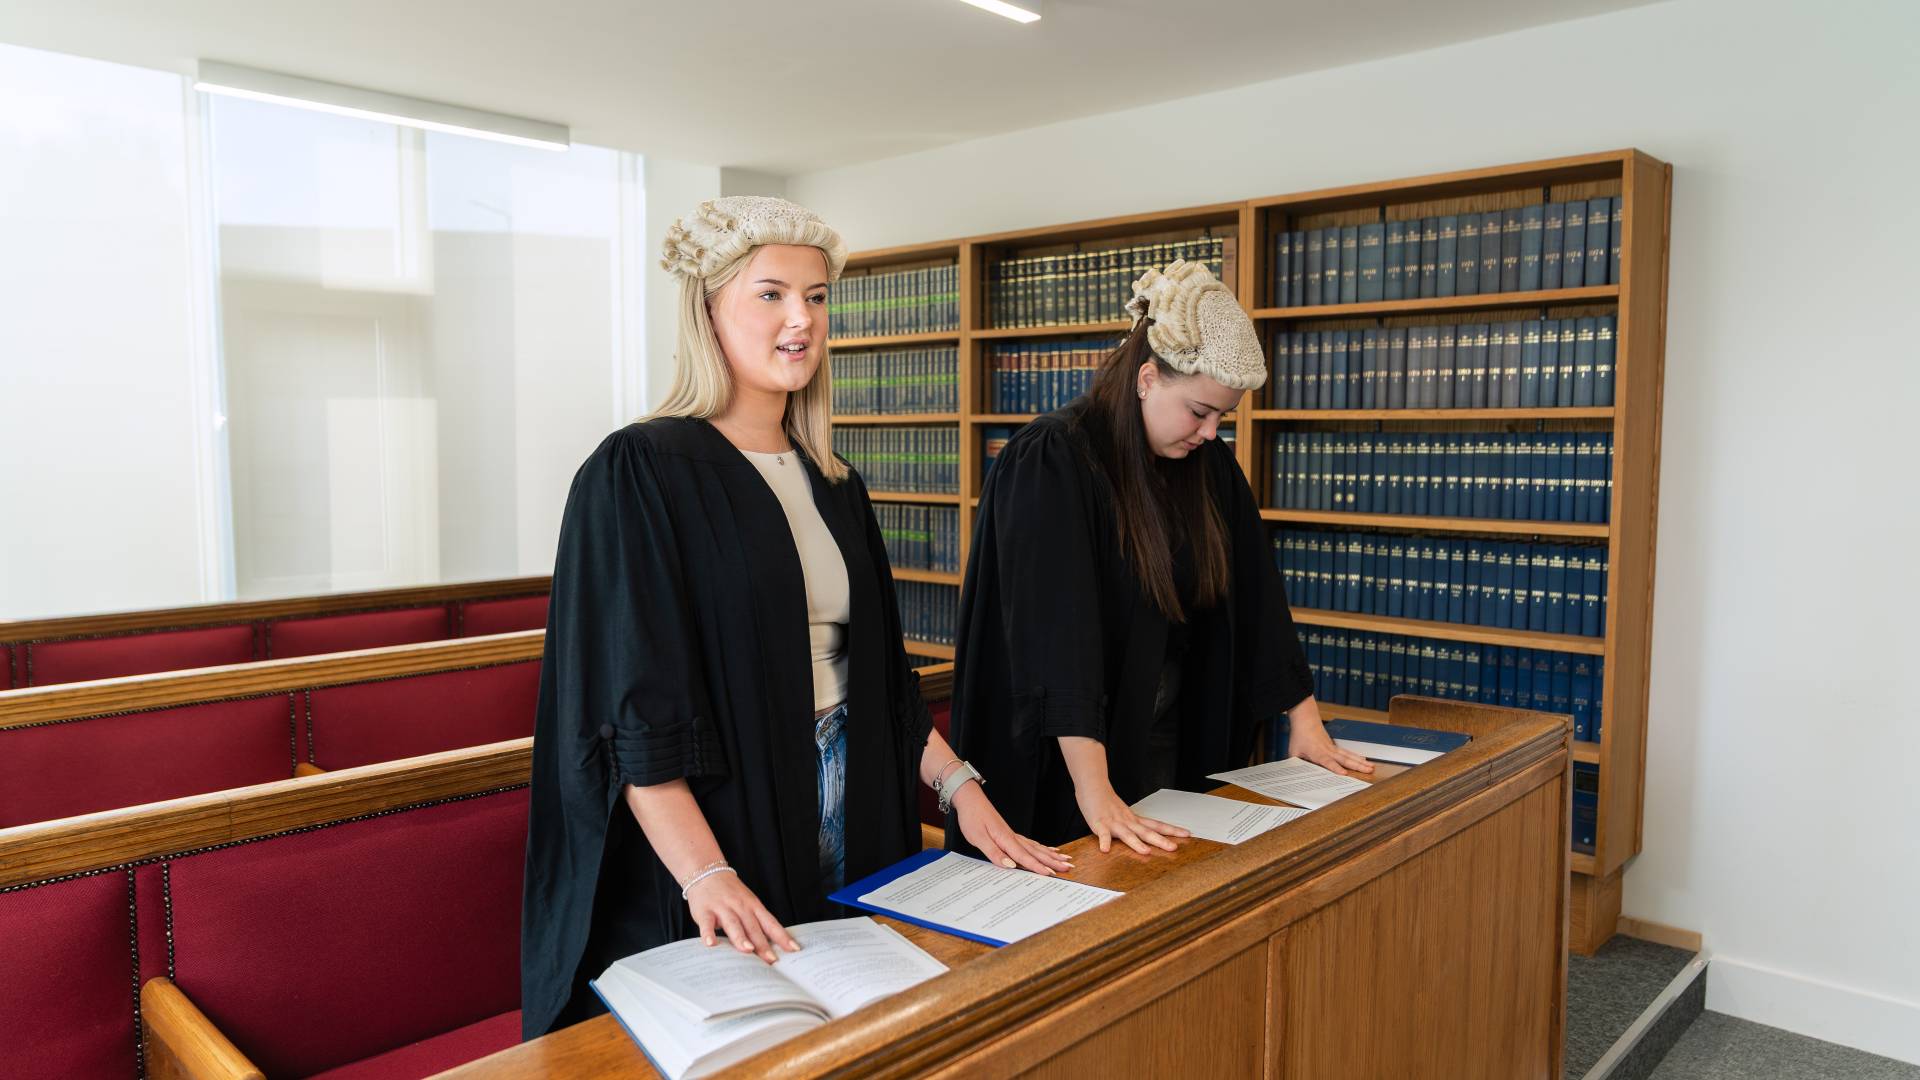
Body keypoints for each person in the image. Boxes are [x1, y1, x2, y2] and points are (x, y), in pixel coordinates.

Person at [521, 197, 1066, 1039]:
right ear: (708, 309)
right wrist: (707, 877)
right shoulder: (639, 470)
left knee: (866, 1033)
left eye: (815, 298)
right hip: (722, 820)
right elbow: (632, 719)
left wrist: (967, 797)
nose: (801, 320)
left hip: (861, 800)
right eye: (771, 294)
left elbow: (883, 683)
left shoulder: (835, 481)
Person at [948, 258, 1371, 858]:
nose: (1210, 432)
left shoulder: (1207, 467)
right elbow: (1054, 640)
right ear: (1147, 378)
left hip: (1166, 735)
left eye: (1223, 417)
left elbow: (1255, 595)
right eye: (1199, 412)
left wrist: (1304, 722)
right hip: (1068, 755)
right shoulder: (1054, 458)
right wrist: (1095, 791)